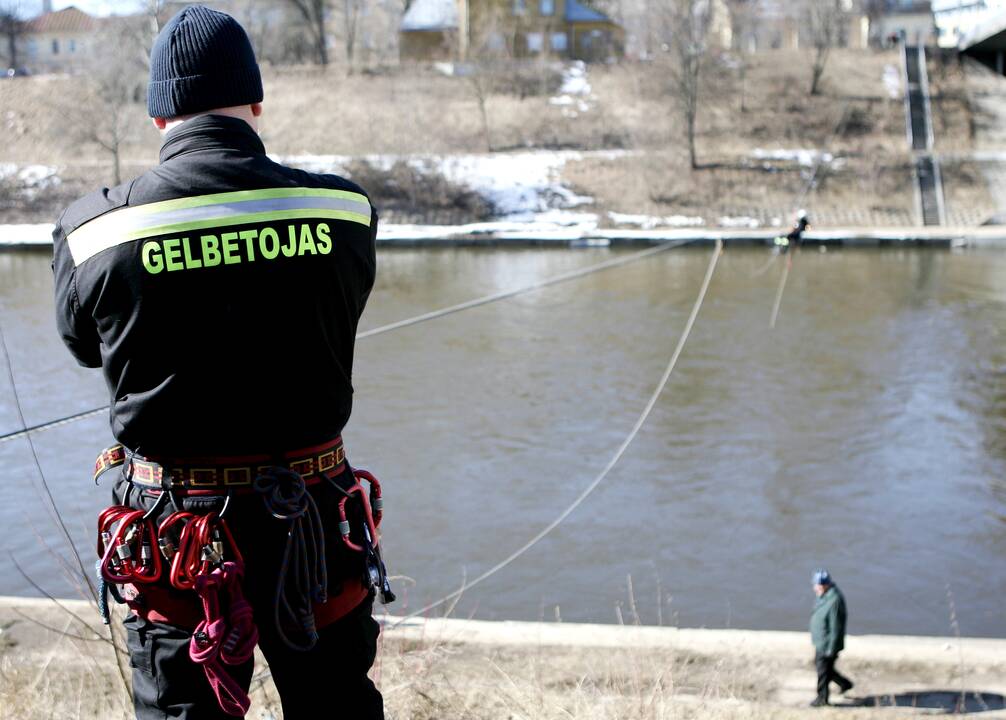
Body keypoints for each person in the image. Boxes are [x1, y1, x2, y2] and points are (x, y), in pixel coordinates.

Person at [52, 6, 387, 719]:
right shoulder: (343, 209)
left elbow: (86, 348)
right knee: (337, 708)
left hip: (179, 533)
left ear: (158, 116)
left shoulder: (94, 230)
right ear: (256, 102)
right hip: (315, 516)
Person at [809, 569, 853, 707]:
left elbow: (836, 628)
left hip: (828, 644)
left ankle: (822, 699)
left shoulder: (834, 601)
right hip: (821, 641)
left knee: (822, 671)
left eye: (819, 586)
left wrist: (831, 649)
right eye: (815, 585)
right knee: (823, 668)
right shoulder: (824, 595)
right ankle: (845, 684)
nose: (816, 588)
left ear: (826, 585)